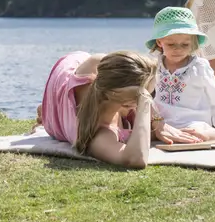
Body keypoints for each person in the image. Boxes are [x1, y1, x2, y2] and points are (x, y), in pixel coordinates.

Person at [38, 50, 203, 168]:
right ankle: (47, 112)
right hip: (65, 77)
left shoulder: (99, 68)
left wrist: (158, 121)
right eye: (144, 94)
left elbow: (112, 64)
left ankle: (46, 110)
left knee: (109, 64)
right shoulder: (99, 134)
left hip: (71, 75)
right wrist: (144, 102)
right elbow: (135, 159)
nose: (149, 98)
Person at [146, 6, 215, 141]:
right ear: (159, 42)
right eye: (171, 44)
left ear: (192, 42)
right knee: (142, 132)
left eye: (185, 45)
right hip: (162, 122)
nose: (178, 50)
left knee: (199, 133)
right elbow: (145, 95)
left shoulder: (199, 66)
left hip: (192, 122)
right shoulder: (154, 66)